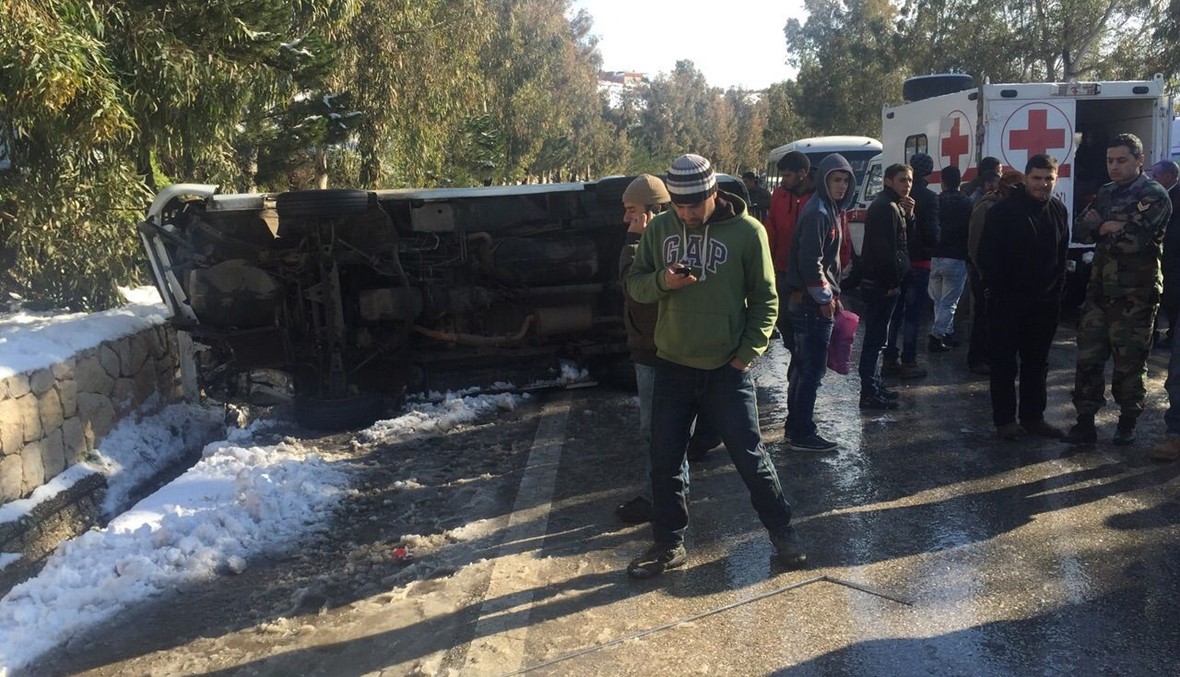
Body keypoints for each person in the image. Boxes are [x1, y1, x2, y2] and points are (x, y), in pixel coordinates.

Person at [624, 154, 806, 578]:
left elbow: (766, 299)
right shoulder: (661, 229)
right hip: (672, 364)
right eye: (677, 205)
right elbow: (636, 285)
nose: (685, 214)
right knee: (665, 459)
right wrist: (661, 283)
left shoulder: (747, 232)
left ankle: (783, 532)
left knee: (750, 457)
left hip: (728, 369)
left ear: (712, 194)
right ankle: (669, 545)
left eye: (693, 205)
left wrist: (746, 355)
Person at [614, 175, 721, 524]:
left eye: (632, 213)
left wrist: (632, 240)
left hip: (658, 352)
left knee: (660, 433)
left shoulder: (659, 246)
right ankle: (665, 496)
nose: (626, 220)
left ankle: (662, 500)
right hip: (652, 350)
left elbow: (635, 290)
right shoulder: (665, 243)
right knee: (663, 432)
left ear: (652, 213)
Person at [1062, 133, 1173, 446]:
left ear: (1139, 161)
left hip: (1135, 296)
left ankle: (1127, 422)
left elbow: (1133, 243)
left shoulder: (1154, 194)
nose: (1114, 166)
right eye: (1110, 160)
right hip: (1099, 292)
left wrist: (1107, 228)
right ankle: (1084, 422)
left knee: (1130, 363)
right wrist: (1107, 226)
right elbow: (1082, 228)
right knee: (1088, 359)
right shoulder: (1107, 192)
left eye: (1121, 160)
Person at [976, 155, 1068, 440]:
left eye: (1048, 179)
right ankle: (1005, 421)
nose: (1042, 184)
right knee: (1004, 363)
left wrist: (1056, 294)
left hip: (1045, 305)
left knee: (1037, 363)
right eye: (1037, 178)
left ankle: (1033, 417)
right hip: (1008, 303)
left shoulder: (1058, 210)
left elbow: (1061, 256)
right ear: (1026, 178)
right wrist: (1000, 294)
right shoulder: (1003, 212)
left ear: (1056, 180)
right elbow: (986, 258)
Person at [782, 153, 857, 450]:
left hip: (811, 301)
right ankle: (801, 431)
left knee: (804, 367)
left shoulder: (828, 209)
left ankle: (797, 427)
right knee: (810, 370)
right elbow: (809, 261)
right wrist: (825, 296)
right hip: (811, 305)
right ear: (824, 180)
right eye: (836, 179)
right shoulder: (819, 212)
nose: (841, 185)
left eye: (845, 180)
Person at [857, 163, 912, 410]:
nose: (907, 184)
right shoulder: (885, 207)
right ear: (888, 181)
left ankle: (874, 385)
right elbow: (884, 250)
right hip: (881, 284)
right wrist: (890, 282)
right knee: (875, 338)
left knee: (878, 337)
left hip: (883, 282)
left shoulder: (893, 206)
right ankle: (869, 390)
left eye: (909, 180)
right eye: (902, 180)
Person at [882, 152, 940, 379]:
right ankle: (908, 360)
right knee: (913, 315)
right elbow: (933, 236)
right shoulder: (929, 198)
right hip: (919, 263)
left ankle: (889, 358)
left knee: (895, 313)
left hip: (896, 263)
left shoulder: (892, 195)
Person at [964, 170, 1012, 376]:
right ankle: (977, 359)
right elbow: (975, 243)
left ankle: (990, 356)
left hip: (997, 274)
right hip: (983, 272)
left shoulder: (1006, 207)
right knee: (983, 316)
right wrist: (982, 271)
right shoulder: (986, 207)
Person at [765, 151, 813, 354]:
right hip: (783, 271)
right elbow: (771, 230)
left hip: (811, 274)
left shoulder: (819, 195)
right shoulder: (779, 195)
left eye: (787, 176)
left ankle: (802, 363)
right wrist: (768, 265)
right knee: (783, 319)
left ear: (802, 174)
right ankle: (795, 353)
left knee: (808, 325)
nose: (783, 181)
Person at [928, 165, 972, 351]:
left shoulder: (936, 201)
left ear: (942, 182)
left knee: (939, 301)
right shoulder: (967, 202)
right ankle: (937, 335)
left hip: (935, 256)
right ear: (959, 180)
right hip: (956, 257)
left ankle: (946, 332)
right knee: (949, 302)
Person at [1150, 160, 1180, 347]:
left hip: (1175, 258)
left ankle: (1173, 336)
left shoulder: (1175, 197)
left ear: (1168, 176)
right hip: (1168, 257)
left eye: (1156, 176)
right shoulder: (1167, 195)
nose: (1153, 180)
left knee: (1173, 299)